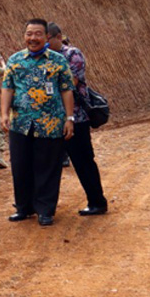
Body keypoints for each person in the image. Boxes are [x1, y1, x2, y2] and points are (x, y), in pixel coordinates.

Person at [0, 19, 75, 226]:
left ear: (46, 37)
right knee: (20, 166)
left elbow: (67, 90)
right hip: (20, 124)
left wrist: (69, 118)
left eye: (37, 34)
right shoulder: (15, 60)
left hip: (50, 124)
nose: (33, 38)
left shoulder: (58, 61)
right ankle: (23, 208)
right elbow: (7, 88)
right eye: (29, 34)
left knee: (48, 167)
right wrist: (4, 114)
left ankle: (45, 210)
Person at [47, 23, 108, 216]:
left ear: (58, 37)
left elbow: (70, 82)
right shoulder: (41, 57)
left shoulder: (72, 55)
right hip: (50, 120)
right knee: (47, 164)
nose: (45, 43)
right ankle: (42, 206)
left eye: (48, 39)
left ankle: (97, 201)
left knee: (83, 161)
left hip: (76, 117)